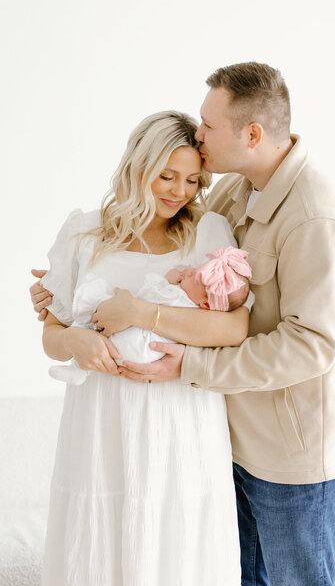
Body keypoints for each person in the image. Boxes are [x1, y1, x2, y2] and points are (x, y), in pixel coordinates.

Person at [31, 62, 335, 586]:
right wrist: (62, 302)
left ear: (251, 135)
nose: (200, 136)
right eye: (170, 174)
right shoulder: (233, 194)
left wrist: (174, 349)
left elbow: (305, 345)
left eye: (209, 126)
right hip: (231, 436)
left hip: (291, 455)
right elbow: (135, 263)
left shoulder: (314, 218)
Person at [33, 110, 253, 586]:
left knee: (179, 548)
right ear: (137, 165)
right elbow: (51, 336)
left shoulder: (210, 232)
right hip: (100, 421)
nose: (179, 192)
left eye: (192, 180)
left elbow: (235, 327)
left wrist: (139, 314)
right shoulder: (84, 231)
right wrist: (73, 339)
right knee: (100, 546)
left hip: (183, 420)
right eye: (166, 176)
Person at [48, 244, 252, 385]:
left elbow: (147, 296)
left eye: (195, 278)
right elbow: (52, 333)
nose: (189, 271)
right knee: (95, 333)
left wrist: (165, 281)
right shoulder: (83, 230)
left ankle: (79, 368)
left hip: (142, 347)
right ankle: (80, 367)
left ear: (206, 303)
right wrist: (68, 335)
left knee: (97, 301)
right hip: (139, 354)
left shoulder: (179, 297)